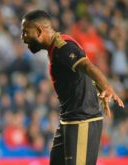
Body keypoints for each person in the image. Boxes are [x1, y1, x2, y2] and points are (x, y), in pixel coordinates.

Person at [21, 10, 125, 165]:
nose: (23, 38)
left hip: (82, 120)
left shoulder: (63, 47)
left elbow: (87, 66)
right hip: (69, 119)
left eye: (25, 32)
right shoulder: (56, 48)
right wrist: (97, 88)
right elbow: (82, 71)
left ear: (39, 31)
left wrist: (106, 87)